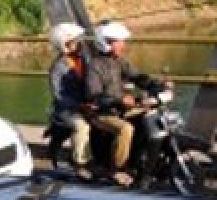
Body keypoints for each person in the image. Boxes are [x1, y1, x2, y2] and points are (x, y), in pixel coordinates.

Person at [85, 20, 164, 187]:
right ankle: (118, 169)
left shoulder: (119, 61)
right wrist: (117, 100)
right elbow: (95, 95)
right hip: (102, 112)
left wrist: (155, 84)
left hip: (120, 108)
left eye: (122, 41)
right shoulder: (95, 65)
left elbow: (136, 76)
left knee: (150, 113)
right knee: (126, 129)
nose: (123, 45)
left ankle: (137, 159)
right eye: (118, 41)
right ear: (105, 43)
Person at [47, 22, 92, 177]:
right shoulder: (58, 68)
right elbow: (59, 96)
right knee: (82, 126)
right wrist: (80, 106)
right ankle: (80, 164)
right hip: (67, 110)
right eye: (75, 41)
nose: (79, 43)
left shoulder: (85, 59)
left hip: (89, 104)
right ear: (64, 44)